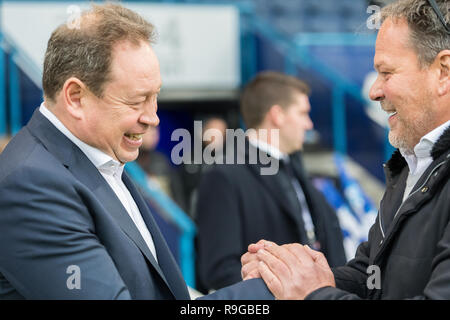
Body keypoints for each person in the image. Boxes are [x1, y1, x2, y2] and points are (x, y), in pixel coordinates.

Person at [0, 3, 270, 300]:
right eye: (136, 101)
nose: (152, 117)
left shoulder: (98, 160)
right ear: (75, 97)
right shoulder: (31, 185)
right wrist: (269, 293)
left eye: (155, 97)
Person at [241, 0, 450, 300]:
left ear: (443, 71)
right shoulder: (411, 167)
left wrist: (313, 293)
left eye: (387, 73)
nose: (374, 91)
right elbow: (371, 276)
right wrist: (289, 274)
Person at [195, 71, 346, 293]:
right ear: (278, 115)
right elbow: (219, 270)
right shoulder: (224, 175)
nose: (309, 124)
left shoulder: (293, 167)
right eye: (303, 113)